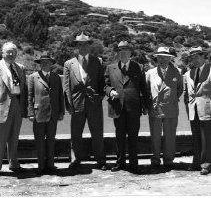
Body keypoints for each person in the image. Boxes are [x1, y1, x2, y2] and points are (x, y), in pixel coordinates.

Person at [104, 41, 150, 174]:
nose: (123, 52)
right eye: (120, 49)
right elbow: (105, 85)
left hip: (134, 108)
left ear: (130, 52)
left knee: (134, 137)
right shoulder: (110, 67)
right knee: (119, 137)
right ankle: (120, 163)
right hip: (117, 107)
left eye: (126, 49)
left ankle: (134, 164)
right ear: (117, 52)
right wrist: (110, 91)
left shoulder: (139, 67)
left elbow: (144, 89)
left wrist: (146, 106)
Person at [63, 32, 107, 171]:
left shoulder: (98, 61)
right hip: (76, 104)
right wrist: (68, 105)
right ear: (77, 46)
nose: (82, 47)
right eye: (80, 44)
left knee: (97, 133)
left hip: (94, 103)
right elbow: (66, 86)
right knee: (75, 133)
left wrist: (100, 98)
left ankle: (100, 160)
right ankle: (76, 159)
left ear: (89, 46)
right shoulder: (68, 64)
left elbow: (102, 83)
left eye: (85, 44)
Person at [146, 46, 183, 171]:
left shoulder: (177, 72)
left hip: (171, 109)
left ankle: (168, 160)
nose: (162, 59)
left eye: (165, 57)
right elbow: (146, 90)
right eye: (160, 57)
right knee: (155, 136)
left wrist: (171, 99)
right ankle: (155, 159)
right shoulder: (150, 73)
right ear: (157, 58)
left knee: (170, 136)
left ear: (169, 58)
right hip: (155, 108)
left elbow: (180, 89)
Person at [28, 55, 64, 175]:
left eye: (47, 62)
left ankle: (50, 165)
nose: (45, 64)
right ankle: (41, 166)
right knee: (39, 141)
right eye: (43, 62)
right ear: (39, 63)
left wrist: (61, 112)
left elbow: (60, 96)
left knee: (51, 140)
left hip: (53, 113)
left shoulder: (56, 77)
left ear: (51, 63)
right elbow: (29, 97)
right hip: (38, 113)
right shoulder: (33, 77)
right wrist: (30, 113)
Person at [0, 42, 28, 173]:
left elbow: (25, 89)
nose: (11, 54)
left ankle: (14, 163)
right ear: (2, 53)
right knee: (1, 136)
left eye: (13, 52)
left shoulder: (21, 68)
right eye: (8, 52)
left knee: (14, 135)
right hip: (2, 105)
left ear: (16, 53)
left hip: (17, 103)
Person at [184, 46, 211, 175]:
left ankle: (206, 164)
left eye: (196, 57)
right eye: (192, 57)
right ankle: (197, 162)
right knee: (196, 137)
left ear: (203, 56)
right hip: (193, 110)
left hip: (207, 110)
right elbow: (186, 93)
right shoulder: (189, 73)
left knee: (207, 138)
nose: (194, 59)